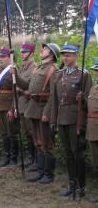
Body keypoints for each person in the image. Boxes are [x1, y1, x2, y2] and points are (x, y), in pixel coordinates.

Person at [13, 43, 59, 184]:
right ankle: (40, 171)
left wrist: (47, 112)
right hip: (33, 107)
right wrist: (16, 73)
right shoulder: (39, 67)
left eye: (45, 49)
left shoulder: (53, 69)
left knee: (47, 143)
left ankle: (48, 174)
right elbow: (27, 86)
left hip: (43, 108)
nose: (42, 50)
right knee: (38, 142)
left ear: (51, 54)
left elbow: (52, 94)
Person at [50, 43, 92, 198]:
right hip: (62, 118)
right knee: (68, 154)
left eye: (68, 55)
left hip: (76, 120)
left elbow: (89, 102)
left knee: (77, 154)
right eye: (64, 55)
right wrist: (53, 120)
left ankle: (81, 187)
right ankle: (71, 184)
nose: (65, 58)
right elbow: (54, 100)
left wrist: (83, 100)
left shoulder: (84, 75)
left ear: (76, 56)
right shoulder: (59, 74)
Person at [0, 47, 19, 167]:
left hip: (8, 106)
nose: (0, 59)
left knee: (11, 132)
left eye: (3, 57)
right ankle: (7, 157)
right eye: (0, 57)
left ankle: (14, 159)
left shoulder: (13, 71)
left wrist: (13, 108)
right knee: (3, 133)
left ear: (10, 58)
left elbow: (16, 91)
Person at [16, 43, 37, 170]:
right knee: (27, 134)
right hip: (22, 105)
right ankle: (31, 158)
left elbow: (29, 86)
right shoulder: (23, 68)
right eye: (22, 52)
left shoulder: (34, 68)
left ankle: (36, 160)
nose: (22, 54)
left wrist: (20, 88)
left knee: (33, 133)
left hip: (29, 105)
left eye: (25, 52)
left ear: (31, 53)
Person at [87, 60, 98, 204]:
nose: (96, 73)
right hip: (92, 129)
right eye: (96, 70)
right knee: (96, 163)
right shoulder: (93, 89)